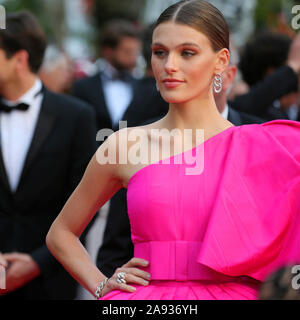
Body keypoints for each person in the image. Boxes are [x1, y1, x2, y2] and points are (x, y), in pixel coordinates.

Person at [46, 0, 300, 300]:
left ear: (221, 61)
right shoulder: (125, 144)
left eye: (187, 53)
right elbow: (60, 233)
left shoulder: (262, 146)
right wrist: (101, 286)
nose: (170, 66)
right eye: (159, 53)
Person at [0, 11, 97, 300]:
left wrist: (38, 262)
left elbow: (86, 202)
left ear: (19, 59)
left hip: (51, 280)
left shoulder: (76, 116)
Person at [72, 19, 142, 133]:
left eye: (135, 52)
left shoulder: (142, 87)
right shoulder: (82, 88)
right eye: (127, 52)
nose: (134, 59)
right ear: (108, 51)